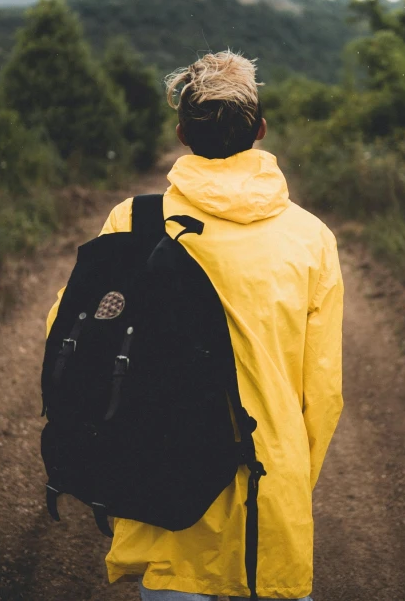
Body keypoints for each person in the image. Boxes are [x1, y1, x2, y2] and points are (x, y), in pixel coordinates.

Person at [46, 50, 344, 601]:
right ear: (260, 129)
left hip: (161, 488)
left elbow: (67, 336)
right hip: (266, 499)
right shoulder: (311, 239)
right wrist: (292, 479)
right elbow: (322, 392)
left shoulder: (133, 222)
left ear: (182, 132)